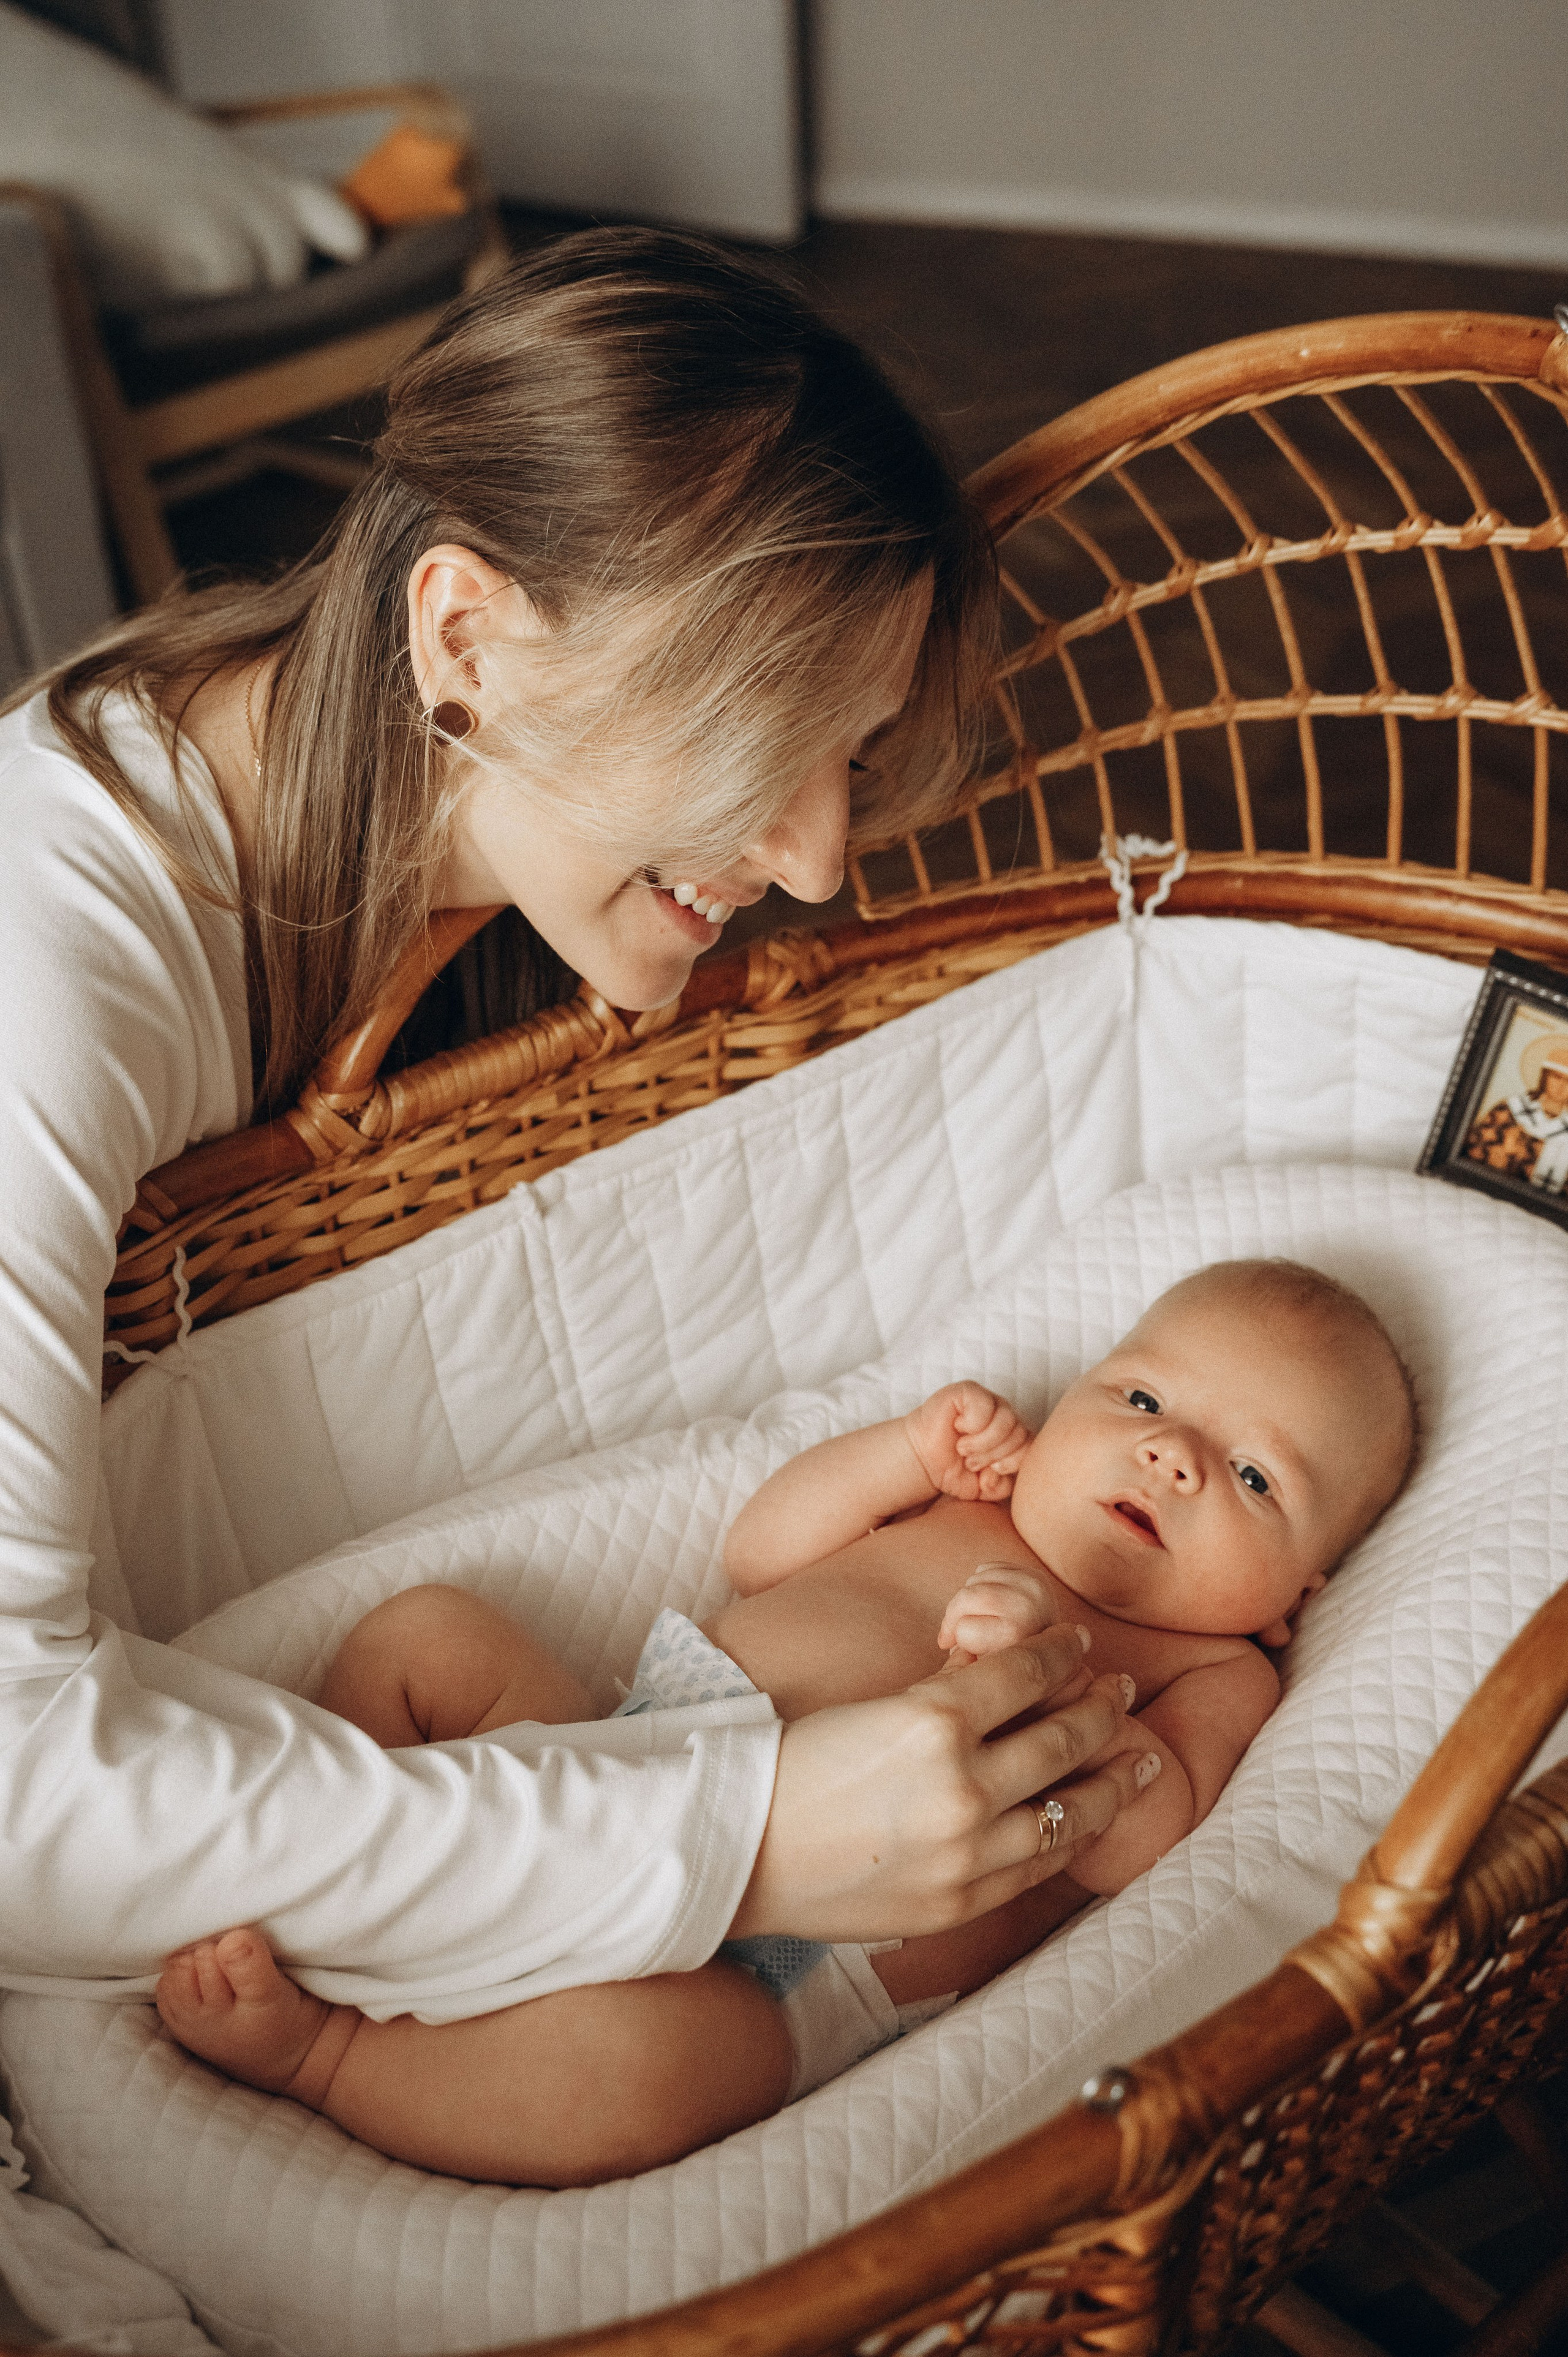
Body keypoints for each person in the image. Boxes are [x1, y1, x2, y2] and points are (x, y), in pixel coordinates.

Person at [0, 230, 1147, 2034]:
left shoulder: (452, 904)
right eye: (765, 745)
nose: (822, 860)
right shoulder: (45, 976)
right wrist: (745, 1831)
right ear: (469, 635)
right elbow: (16, 1801)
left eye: (841, 753)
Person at [154, 1257, 1415, 2186]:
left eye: (1255, 1476)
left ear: (1301, 1588)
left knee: (646, 2076)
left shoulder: (1214, 1668)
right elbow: (758, 1549)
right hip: (620, 1753)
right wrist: (903, 1453)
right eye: (1141, 1400)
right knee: (424, 1636)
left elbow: (1143, 1844)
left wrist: (1047, 1679)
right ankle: (312, 1869)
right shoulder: (966, 1512)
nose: (1173, 1457)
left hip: (784, 1969)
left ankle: (328, 2054)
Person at [1463, 1034, 1568, 1193]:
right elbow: (1476, 1149)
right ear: (1545, 1076)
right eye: (1557, 1077)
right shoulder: (1511, 1108)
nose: (1562, 1086)